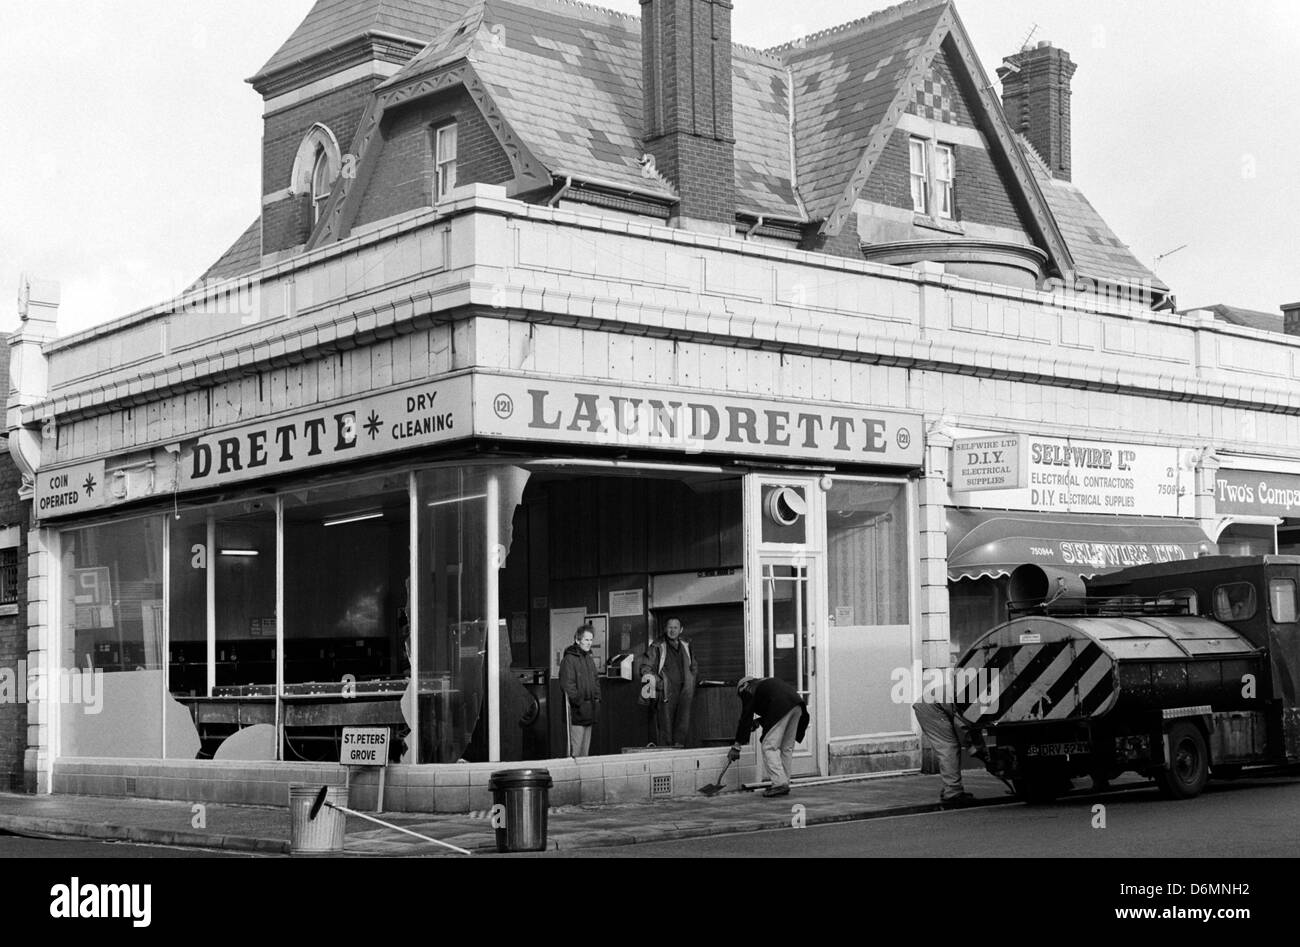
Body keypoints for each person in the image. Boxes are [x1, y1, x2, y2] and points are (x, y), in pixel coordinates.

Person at [728, 676, 809, 797]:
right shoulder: (764, 684)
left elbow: (746, 717)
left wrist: (737, 746)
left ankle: (779, 783)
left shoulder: (748, 689)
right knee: (786, 747)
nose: (741, 696)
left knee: (768, 746)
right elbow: (773, 705)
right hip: (797, 705)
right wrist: (759, 721)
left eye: (740, 693)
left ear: (744, 685)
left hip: (782, 706)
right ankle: (784, 781)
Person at [637, 617, 697, 747]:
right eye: (670, 627)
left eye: (675, 627)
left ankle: (680, 756)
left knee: (683, 727)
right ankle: (666, 757)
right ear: (665, 629)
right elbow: (645, 668)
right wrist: (659, 684)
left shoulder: (687, 645)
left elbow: (694, 666)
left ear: (681, 630)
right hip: (666, 693)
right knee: (665, 729)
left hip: (685, 692)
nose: (672, 630)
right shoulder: (657, 646)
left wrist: (692, 681)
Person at [912, 701, 982, 809]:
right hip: (933, 707)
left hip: (929, 704)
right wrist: (974, 748)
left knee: (948, 747)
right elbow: (963, 725)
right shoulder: (973, 697)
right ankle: (953, 793)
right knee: (949, 747)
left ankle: (950, 788)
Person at [559, 624, 601, 758]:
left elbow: (596, 680)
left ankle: (582, 778)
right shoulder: (569, 659)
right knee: (575, 752)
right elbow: (567, 685)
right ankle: (572, 778)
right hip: (577, 712)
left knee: (585, 752)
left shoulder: (588, 658)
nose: (589, 643)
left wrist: (597, 699)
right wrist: (579, 702)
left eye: (591, 640)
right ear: (577, 640)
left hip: (590, 711)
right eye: (586, 639)